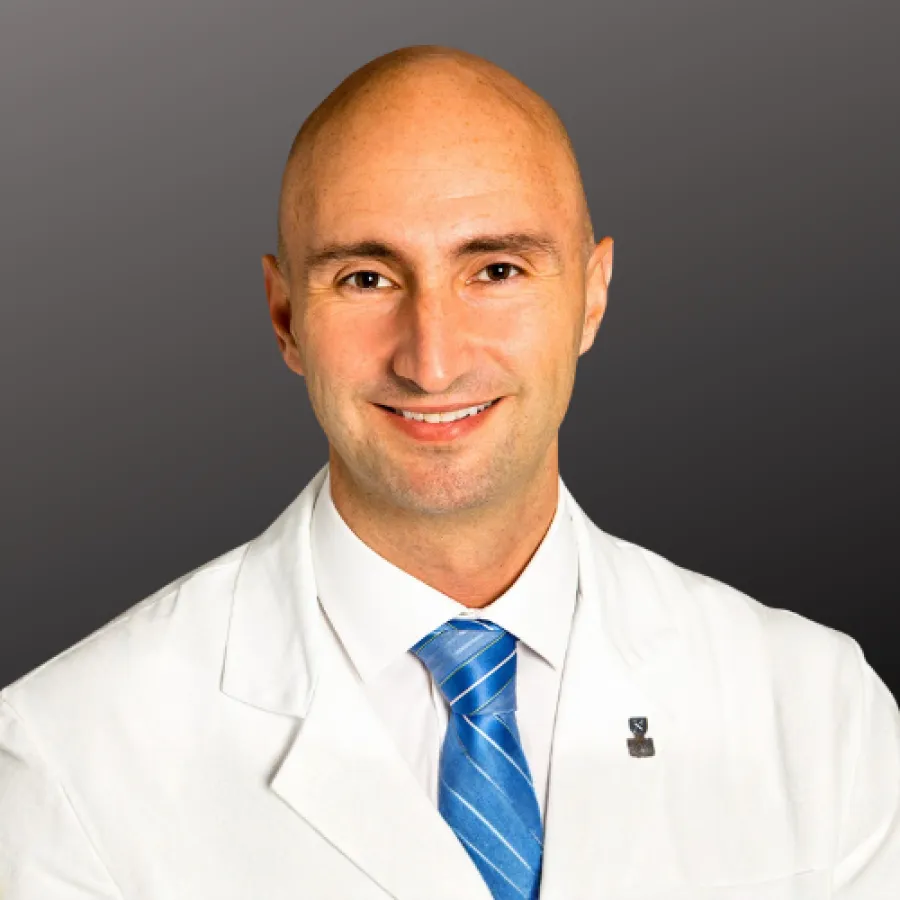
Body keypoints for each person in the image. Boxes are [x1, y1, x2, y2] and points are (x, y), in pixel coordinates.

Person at [0, 44, 897, 900]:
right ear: (285, 318)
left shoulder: (818, 711)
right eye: (365, 279)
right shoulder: (68, 756)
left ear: (592, 294)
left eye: (496, 269)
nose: (431, 361)